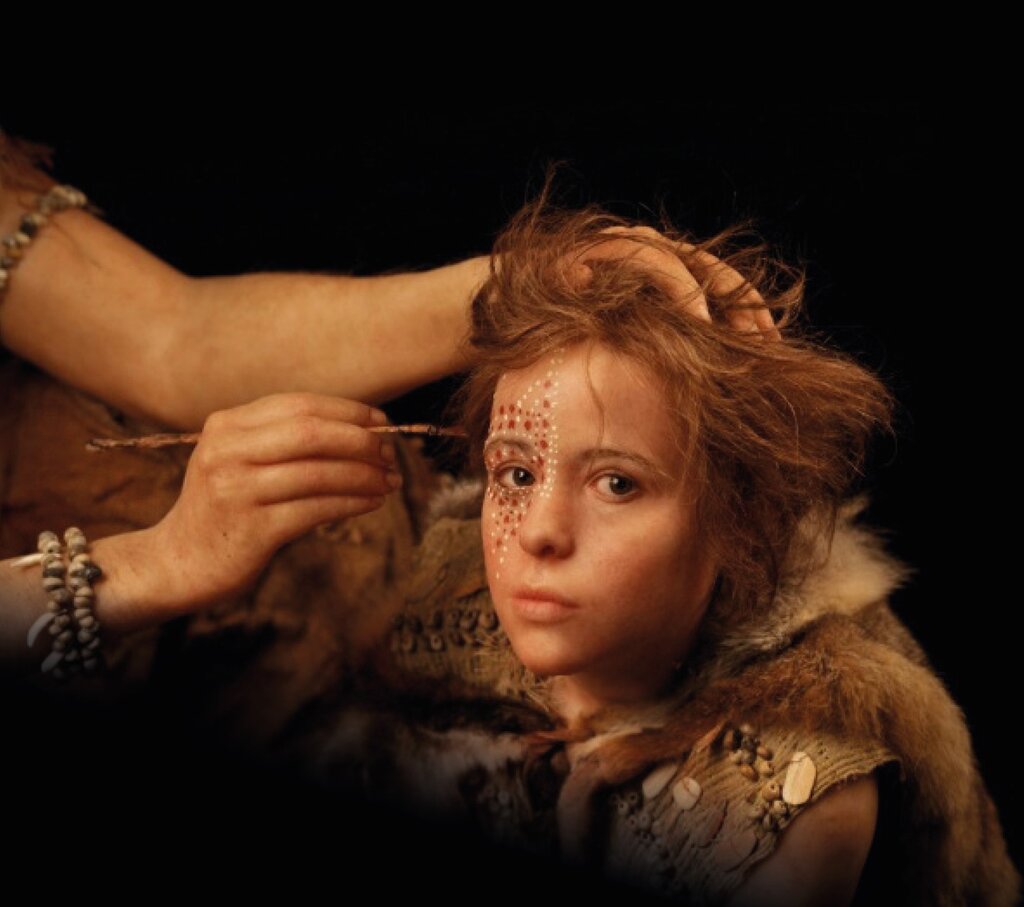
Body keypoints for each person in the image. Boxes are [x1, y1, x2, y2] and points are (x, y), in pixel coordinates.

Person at [0, 132, 1018, 905]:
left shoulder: (787, 804)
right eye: (515, 471)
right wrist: (150, 565)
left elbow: (170, 339)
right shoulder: (399, 642)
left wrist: (537, 284)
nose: (536, 532)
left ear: (742, 526)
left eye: (617, 483)